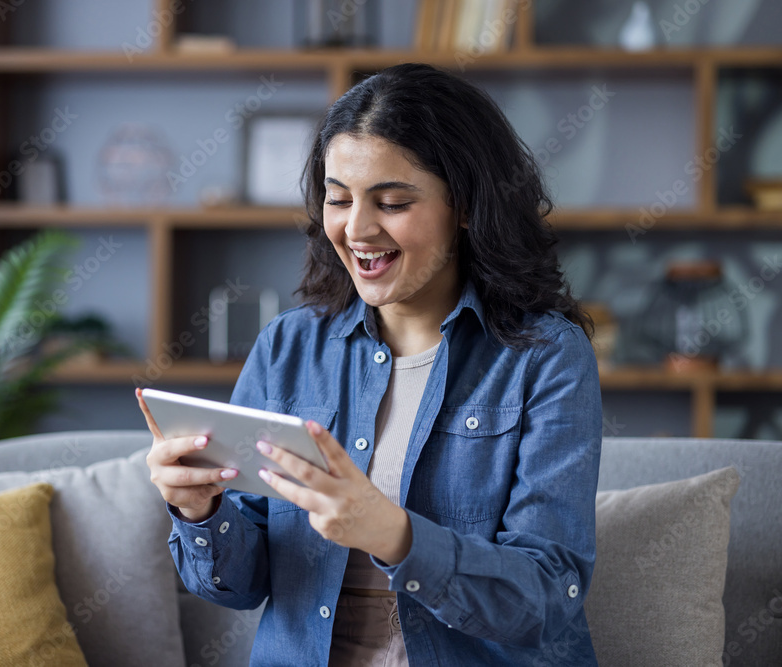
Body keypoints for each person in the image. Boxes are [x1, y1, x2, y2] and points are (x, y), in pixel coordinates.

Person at [137, 62, 602, 666]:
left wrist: (393, 534)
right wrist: (200, 509)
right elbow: (241, 586)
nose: (356, 229)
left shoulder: (545, 357)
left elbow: (547, 596)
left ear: (465, 205)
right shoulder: (288, 348)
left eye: (392, 202)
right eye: (338, 199)